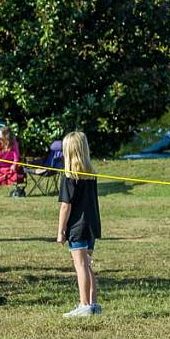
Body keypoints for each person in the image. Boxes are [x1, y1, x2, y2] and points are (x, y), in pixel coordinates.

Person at [57, 131, 102, 317]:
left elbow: (65, 207)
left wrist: (61, 231)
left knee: (81, 265)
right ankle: (93, 304)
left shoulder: (69, 177)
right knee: (88, 264)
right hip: (91, 225)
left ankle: (84, 304)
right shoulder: (90, 175)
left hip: (77, 226)